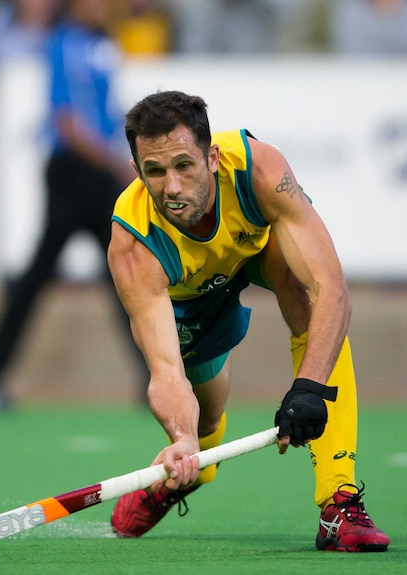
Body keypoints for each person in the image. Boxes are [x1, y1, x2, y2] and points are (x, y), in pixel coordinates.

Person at [106, 90, 390, 552]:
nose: (172, 187)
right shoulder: (134, 243)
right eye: (155, 171)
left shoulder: (260, 171)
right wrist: (182, 440)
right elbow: (165, 371)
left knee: (302, 293)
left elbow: (331, 291)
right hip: (191, 301)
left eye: (184, 165)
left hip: (259, 254)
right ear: (138, 171)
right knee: (205, 421)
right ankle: (188, 472)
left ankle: (339, 501)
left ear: (212, 157)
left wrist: (309, 388)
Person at [0, 0, 147, 412]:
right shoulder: (64, 44)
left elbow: (107, 112)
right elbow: (66, 121)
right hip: (74, 172)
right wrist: (117, 165)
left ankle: (158, 377)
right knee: (89, 273)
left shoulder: (102, 45)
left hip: (98, 172)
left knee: (122, 273)